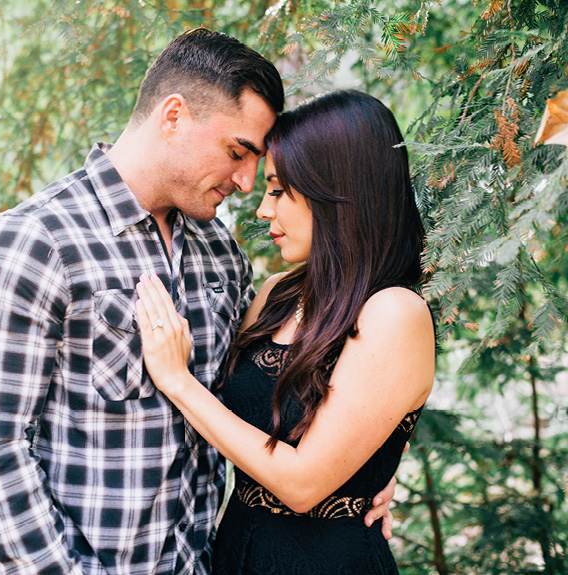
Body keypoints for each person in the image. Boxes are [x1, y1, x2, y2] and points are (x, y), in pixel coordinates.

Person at [0, 29, 396, 575]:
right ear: (173, 116)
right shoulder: (31, 244)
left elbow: (277, 384)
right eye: (238, 152)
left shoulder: (220, 254)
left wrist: (361, 471)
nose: (247, 180)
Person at [134, 90, 436, 574]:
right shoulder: (276, 294)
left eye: (276, 190)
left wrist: (177, 381)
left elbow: (300, 485)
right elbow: (239, 422)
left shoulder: (395, 312)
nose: (262, 210)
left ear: (336, 191)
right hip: (236, 552)